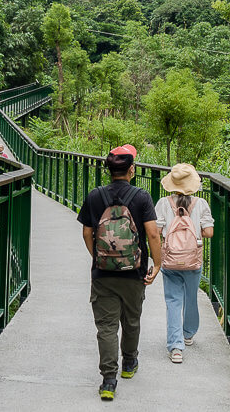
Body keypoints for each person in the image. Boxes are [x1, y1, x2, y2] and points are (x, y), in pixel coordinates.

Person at [76, 144, 162, 401]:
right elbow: (153, 233)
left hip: (103, 275)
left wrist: (99, 258)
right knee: (132, 319)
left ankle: (108, 380)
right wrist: (156, 265)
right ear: (131, 170)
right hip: (134, 272)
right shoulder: (141, 197)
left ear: (109, 171)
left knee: (106, 326)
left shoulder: (94, 196)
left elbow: (86, 233)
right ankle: (129, 364)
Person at [154, 163, 214, 364]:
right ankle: (188, 333)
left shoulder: (163, 203)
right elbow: (209, 232)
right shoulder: (201, 203)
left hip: (169, 260)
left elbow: (156, 230)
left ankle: (176, 347)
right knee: (190, 297)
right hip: (193, 261)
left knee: (173, 301)